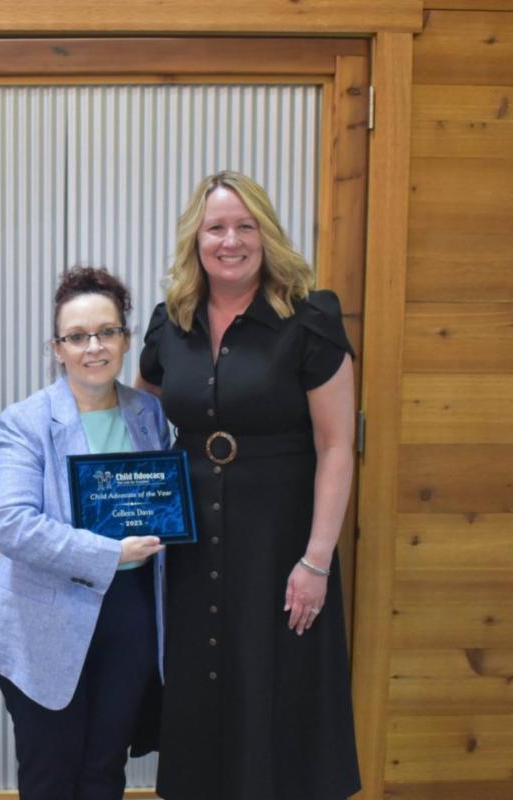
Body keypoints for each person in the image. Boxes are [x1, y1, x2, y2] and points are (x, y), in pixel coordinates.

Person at [138, 172, 361, 799]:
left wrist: (316, 561)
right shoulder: (170, 321)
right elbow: (143, 418)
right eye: (216, 227)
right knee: (201, 685)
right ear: (196, 238)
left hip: (280, 545)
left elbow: (336, 445)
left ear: (266, 234)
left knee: (275, 687)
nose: (230, 240)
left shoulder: (309, 317)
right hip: (191, 545)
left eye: (245, 226)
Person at [0, 266, 171, 800]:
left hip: (130, 614)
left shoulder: (148, 413)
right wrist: (109, 552)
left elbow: (161, 498)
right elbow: (11, 524)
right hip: (45, 620)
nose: (93, 347)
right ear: (57, 349)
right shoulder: (26, 420)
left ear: (126, 338)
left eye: (107, 332)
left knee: (105, 769)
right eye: (77, 337)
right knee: (51, 776)